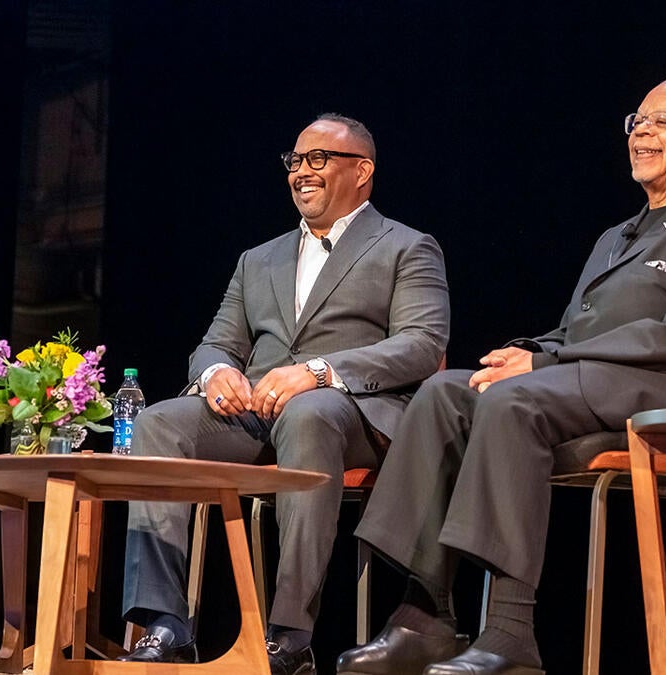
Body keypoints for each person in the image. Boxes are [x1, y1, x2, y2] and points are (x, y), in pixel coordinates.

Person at [335, 76, 666, 675]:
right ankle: (425, 616)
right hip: (590, 383)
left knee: (516, 402)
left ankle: (512, 633)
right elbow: (574, 334)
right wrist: (528, 350)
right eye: (637, 120)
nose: (642, 131)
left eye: (664, 121)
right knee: (444, 393)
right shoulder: (615, 237)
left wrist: (545, 364)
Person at [118, 113, 450, 675]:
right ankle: (164, 623)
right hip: (257, 415)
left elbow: (422, 344)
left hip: (352, 414)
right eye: (295, 161)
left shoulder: (407, 246)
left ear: (362, 171)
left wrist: (319, 371)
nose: (302, 171)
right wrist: (217, 373)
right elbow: (215, 343)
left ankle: (289, 634)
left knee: (309, 413)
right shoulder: (259, 259)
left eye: (319, 159)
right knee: (157, 424)